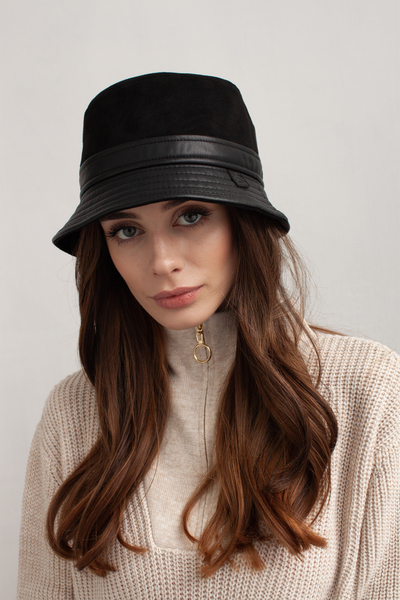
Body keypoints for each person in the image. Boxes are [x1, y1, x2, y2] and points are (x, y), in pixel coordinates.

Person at [17, 73, 400, 600]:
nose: (162, 262)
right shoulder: (74, 414)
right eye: (126, 230)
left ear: (243, 222)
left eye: (191, 216)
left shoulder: (368, 391)